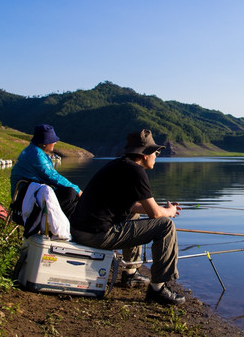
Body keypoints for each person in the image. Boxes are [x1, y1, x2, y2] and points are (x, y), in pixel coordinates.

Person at [70, 129, 185, 305]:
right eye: (156, 152)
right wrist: (168, 212)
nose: (157, 156)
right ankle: (158, 288)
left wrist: (159, 209)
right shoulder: (136, 172)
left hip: (80, 230)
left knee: (134, 213)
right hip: (95, 234)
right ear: (145, 154)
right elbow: (155, 214)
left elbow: (132, 205)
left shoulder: (119, 165)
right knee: (166, 226)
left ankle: (131, 273)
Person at [10, 124, 82, 218]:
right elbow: (52, 176)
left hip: (27, 194)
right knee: (70, 193)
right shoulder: (36, 155)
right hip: (25, 200)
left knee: (69, 194)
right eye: (53, 140)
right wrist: (77, 190)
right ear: (44, 143)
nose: (55, 142)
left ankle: (69, 224)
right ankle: (68, 225)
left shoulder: (32, 151)